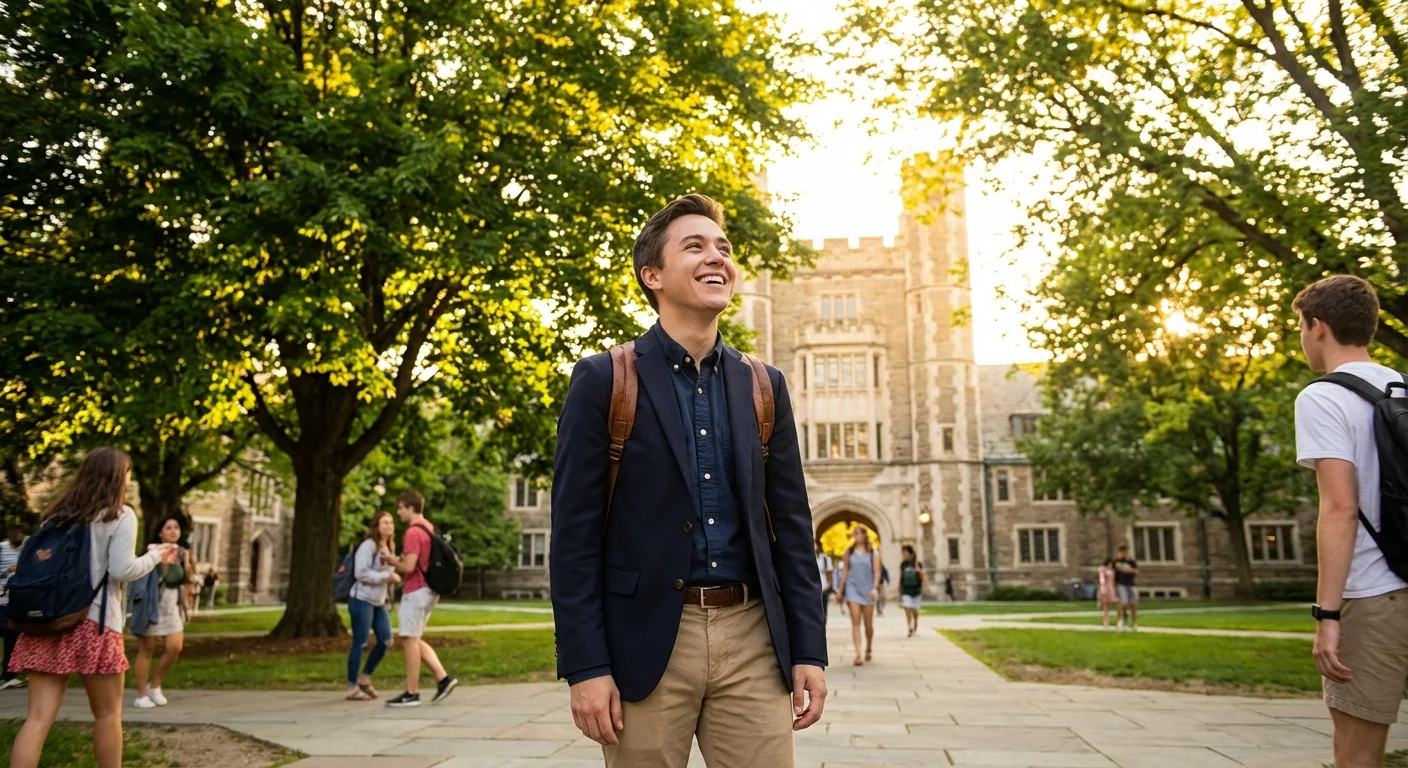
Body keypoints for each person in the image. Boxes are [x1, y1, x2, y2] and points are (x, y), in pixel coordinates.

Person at [550, 194, 827, 767]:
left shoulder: (764, 385)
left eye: (723, 247)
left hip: (753, 637)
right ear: (652, 275)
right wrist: (586, 666)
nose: (717, 257)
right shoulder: (604, 378)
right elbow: (574, 538)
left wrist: (810, 650)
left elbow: (793, 530)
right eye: (695, 246)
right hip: (646, 643)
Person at [1293, 275, 1408, 768]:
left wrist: (1328, 615)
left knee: (1358, 751)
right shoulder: (1403, 386)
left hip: (1373, 592)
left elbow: (1339, 508)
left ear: (1318, 327)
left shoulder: (1322, 397)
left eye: (1298, 326)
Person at [7, 447, 177, 768]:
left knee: (38, 718)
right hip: (93, 624)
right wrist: (156, 555)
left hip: (47, 622)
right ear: (117, 478)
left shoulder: (57, 516)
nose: (129, 481)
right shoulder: (119, 515)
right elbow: (121, 570)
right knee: (107, 713)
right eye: (127, 475)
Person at [380, 490, 457, 707]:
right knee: (412, 637)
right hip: (428, 591)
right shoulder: (428, 527)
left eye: (401, 508)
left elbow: (409, 567)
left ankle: (412, 693)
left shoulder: (413, 532)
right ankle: (443, 678)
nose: (399, 512)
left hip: (416, 591)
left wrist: (391, 561)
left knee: (409, 639)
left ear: (410, 507)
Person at [130, 515, 194, 709]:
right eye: (168, 528)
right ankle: (142, 694)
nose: (173, 531)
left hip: (172, 606)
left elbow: (187, 580)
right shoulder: (151, 551)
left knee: (175, 647)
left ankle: (155, 685)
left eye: (176, 528)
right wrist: (159, 557)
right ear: (160, 532)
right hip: (152, 605)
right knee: (146, 649)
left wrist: (188, 561)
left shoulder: (183, 553)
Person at [345, 510, 401, 701]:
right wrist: (386, 576)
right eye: (385, 523)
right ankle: (352, 687)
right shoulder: (368, 546)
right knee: (360, 643)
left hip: (379, 602)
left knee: (386, 641)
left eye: (391, 523)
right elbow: (360, 573)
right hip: (361, 600)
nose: (389, 526)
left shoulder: (389, 548)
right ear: (376, 526)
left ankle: (365, 677)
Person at [836, 525, 880, 665]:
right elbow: (845, 571)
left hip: (867, 590)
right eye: (854, 534)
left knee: (868, 625)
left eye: (857, 533)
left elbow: (877, 572)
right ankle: (858, 654)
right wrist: (840, 590)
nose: (855, 536)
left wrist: (875, 588)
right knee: (855, 623)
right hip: (852, 588)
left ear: (864, 535)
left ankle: (868, 647)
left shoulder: (873, 553)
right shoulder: (849, 552)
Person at [0, 523, 27, 690]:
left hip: (18, 599)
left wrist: (21, 567)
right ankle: (8, 675)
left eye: (20, 532)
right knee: (8, 634)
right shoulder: (2, 547)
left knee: (11, 635)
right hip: (2, 598)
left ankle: (9, 675)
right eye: (13, 531)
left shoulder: (28, 547)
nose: (17, 534)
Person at [898, 545, 926, 637]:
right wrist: (899, 587)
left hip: (916, 589)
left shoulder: (918, 564)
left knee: (915, 610)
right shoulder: (903, 564)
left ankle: (915, 624)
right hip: (906, 589)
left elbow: (923, 577)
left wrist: (919, 572)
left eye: (905, 552)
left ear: (910, 553)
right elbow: (900, 576)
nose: (904, 554)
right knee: (908, 607)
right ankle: (909, 626)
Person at [1112, 544, 1138, 631]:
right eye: (1122, 551)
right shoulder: (1116, 561)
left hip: (1131, 584)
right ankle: (1120, 620)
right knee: (1123, 602)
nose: (1124, 553)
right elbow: (1119, 569)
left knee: (1133, 604)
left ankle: (1134, 623)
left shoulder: (1131, 561)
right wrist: (1129, 570)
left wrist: (1130, 570)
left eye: (1126, 551)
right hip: (1121, 584)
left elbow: (1136, 571)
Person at [1097, 559, 1118, 630]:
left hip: (1111, 588)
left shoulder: (1112, 571)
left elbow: (1114, 581)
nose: (1110, 565)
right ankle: (1106, 622)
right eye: (1109, 564)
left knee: (1116, 604)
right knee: (1105, 607)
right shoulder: (1103, 570)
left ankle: (1118, 620)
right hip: (1105, 588)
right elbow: (1101, 579)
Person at [816, 547, 833, 624]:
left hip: (823, 588)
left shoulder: (826, 559)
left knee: (823, 612)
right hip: (811, 589)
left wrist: (828, 585)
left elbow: (830, 574)